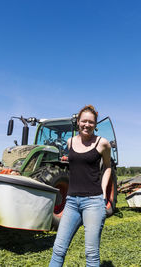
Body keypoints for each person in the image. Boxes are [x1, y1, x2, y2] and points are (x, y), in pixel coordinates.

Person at [49, 105, 112, 267]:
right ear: (78, 122)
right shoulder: (70, 142)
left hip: (93, 202)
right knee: (58, 249)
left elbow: (107, 167)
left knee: (91, 253)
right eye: (84, 121)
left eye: (91, 122)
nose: (87, 124)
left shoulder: (102, 143)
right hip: (71, 202)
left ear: (95, 124)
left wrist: (104, 192)